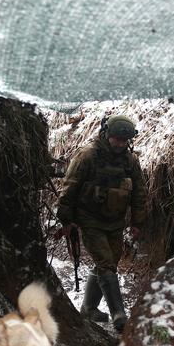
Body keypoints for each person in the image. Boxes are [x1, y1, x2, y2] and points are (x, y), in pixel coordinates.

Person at [56, 114, 146, 331]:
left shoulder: (130, 161)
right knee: (106, 263)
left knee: (110, 262)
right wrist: (66, 220)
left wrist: (137, 222)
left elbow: (139, 193)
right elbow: (69, 188)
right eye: (117, 139)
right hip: (90, 220)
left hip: (115, 221)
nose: (120, 144)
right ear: (107, 134)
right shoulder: (87, 156)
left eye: (124, 141)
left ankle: (88, 308)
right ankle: (119, 316)